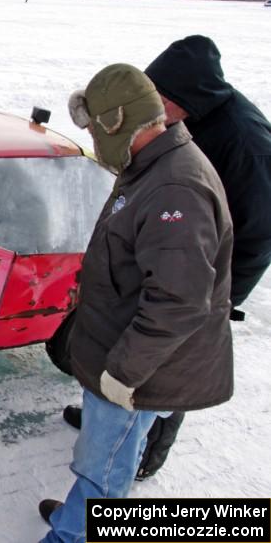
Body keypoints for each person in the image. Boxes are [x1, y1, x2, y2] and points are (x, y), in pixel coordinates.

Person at [39, 63, 233, 542]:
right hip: (123, 349)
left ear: (117, 122)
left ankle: (74, 535)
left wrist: (124, 372)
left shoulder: (175, 189)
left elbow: (179, 302)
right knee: (103, 459)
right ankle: (77, 520)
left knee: (103, 470)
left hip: (138, 368)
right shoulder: (153, 163)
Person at [63, 35, 271, 480]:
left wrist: (221, 294)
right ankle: (116, 433)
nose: (150, 108)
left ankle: (142, 457)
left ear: (181, 101)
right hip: (172, 263)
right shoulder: (163, 141)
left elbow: (257, 231)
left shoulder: (244, 143)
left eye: (157, 99)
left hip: (198, 275)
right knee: (131, 390)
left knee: (164, 377)